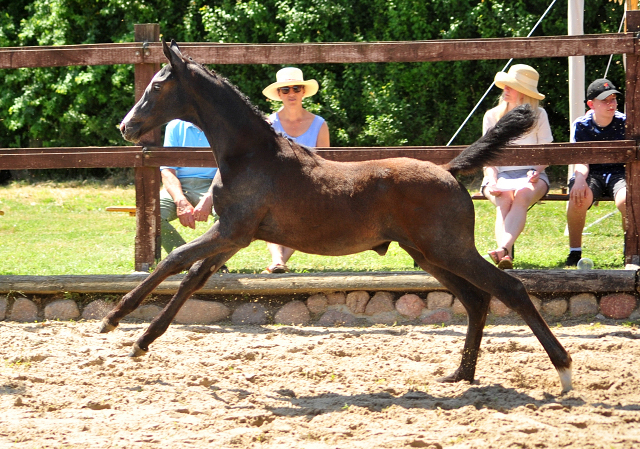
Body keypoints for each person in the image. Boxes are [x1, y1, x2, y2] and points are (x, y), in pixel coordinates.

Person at [481, 64, 553, 269]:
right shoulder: (491, 116)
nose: (505, 89)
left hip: (533, 177)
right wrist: (493, 180)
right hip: (497, 175)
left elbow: (546, 154)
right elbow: (487, 157)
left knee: (521, 195)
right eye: (505, 85)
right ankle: (505, 254)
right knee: (504, 197)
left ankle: (503, 250)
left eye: (511, 86)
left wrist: (536, 172)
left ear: (524, 93)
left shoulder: (539, 115)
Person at [260, 67, 330, 273]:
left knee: (310, 216)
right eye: (285, 89)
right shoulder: (268, 124)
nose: (291, 93)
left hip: (310, 185)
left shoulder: (320, 124)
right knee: (269, 211)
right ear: (279, 94)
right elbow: (265, 162)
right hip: (276, 185)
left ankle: (278, 262)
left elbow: (324, 164)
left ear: (303, 92)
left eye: (296, 88)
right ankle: (278, 260)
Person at [565, 78, 626, 266]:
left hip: (621, 173)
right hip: (592, 173)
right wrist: (580, 179)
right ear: (591, 104)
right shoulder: (581, 125)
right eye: (605, 100)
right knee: (578, 197)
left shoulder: (626, 122)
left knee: (627, 200)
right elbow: (580, 159)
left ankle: (631, 249)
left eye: (614, 99)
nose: (611, 104)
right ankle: (575, 251)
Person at [160, 119, 218, 257]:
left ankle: (212, 260)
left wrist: (209, 197)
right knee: (151, 214)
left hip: (215, 183)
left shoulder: (223, 124)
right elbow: (167, 170)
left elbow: (227, 168)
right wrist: (180, 201)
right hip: (179, 185)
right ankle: (185, 259)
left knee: (227, 214)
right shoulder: (174, 126)